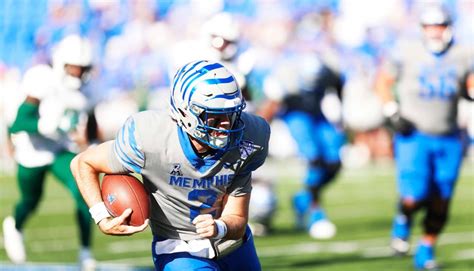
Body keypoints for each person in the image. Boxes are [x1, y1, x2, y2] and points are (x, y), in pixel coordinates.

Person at [70, 60, 270, 270]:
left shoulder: (250, 136)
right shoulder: (151, 137)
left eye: (231, 113)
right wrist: (101, 217)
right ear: (186, 112)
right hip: (179, 248)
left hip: (233, 245)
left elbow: (237, 218)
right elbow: (83, 162)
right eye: (215, 115)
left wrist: (219, 227)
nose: (227, 124)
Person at [376, 5, 473, 270]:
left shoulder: (463, 54)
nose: (435, 32)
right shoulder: (407, 51)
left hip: (449, 137)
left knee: (442, 198)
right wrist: (391, 110)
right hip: (414, 135)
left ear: (448, 27)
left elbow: (469, 85)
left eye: (439, 26)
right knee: (415, 195)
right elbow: (383, 80)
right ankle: (403, 217)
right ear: (422, 29)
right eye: (430, 26)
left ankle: (426, 249)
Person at [3, 34, 98, 268]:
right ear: (62, 63)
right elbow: (18, 123)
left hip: (60, 149)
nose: (78, 73)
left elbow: (93, 125)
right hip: (32, 150)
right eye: (74, 67)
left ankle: (85, 251)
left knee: (83, 191)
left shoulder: (88, 91)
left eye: (82, 68)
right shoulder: (42, 78)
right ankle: (14, 226)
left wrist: (93, 144)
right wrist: (42, 126)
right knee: (31, 201)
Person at [258, 50, 345, 239]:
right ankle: (316, 213)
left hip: (317, 114)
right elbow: (271, 106)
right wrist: (257, 134)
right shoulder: (285, 79)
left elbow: (338, 85)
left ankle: (303, 199)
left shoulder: (328, 72)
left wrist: (341, 113)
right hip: (295, 114)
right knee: (314, 159)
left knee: (334, 161)